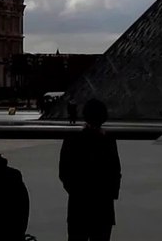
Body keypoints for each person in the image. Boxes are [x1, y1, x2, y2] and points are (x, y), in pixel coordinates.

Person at [59, 98, 121, 241]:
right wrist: (109, 193)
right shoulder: (108, 141)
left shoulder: (72, 139)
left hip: (78, 206)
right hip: (103, 206)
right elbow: (115, 171)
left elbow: (64, 171)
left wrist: (76, 191)